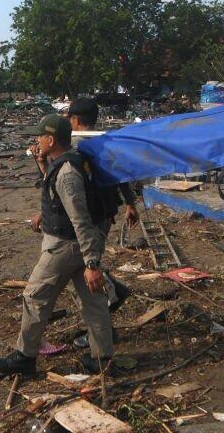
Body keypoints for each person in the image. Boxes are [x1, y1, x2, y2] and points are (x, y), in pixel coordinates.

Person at [0, 114, 115, 376]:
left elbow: (80, 218)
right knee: (93, 302)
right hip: (77, 246)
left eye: (40, 136)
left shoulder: (67, 174)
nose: (37, 140)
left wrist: (92, 263)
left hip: (65, 247)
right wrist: (42, 164)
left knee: (35, 297)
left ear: (51, 139)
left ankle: (25, 357)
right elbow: (57, 197)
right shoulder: (66, 163)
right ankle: (102, 359)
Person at [64, 97, 139, 348]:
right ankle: (112, 293)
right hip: (105, 213)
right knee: (85, 264)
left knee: (83, 269)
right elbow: (121, 175)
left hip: (86, 217)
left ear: (74, 119)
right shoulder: (106, 143)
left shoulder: (73, 146)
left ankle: (103, 325)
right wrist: (130, 203)